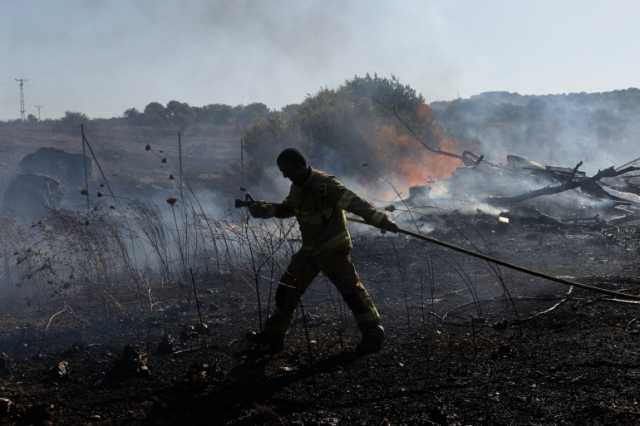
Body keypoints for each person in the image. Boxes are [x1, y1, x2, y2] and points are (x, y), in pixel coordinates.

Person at [246, 148, 399, 354]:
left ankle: (373, 333)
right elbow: (288, 208)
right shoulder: (297, 186)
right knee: (286, 290)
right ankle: (273, 336)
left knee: (352, 293)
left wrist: (380, 219)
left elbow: (354, 203)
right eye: (282, 171)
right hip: (310, 250)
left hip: (333, 249)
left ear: (299, 165)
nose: (284, 175)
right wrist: (264, 209)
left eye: (286, 170)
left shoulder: (325, 185)